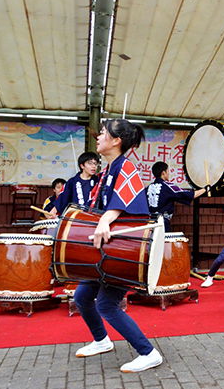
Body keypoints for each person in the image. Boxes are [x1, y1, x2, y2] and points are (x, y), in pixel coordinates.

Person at [73, 119, 163, 373]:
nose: (98, 137)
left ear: (116, 141)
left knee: (106, 304)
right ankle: (102, 340)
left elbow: (124, 202)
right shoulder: (107, 171)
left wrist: (105, 219)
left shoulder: (127, 168)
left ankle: (149, 353)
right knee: (81, 297)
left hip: (125, 250)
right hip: (105, 250)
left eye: (103, 133)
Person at [146, 161, 209, 232]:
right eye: (168, 171)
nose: (168, 173)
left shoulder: (148, 188)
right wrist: (205, 189)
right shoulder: (168, 187)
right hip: (162, 223)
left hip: (149, 224)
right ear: (163, 173)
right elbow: (190, 195)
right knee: (163, 242)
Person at [48, 152, 99, 218]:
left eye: (95, 163)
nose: (93, 166)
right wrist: (54, 210)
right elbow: (63, 198)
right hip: (76, 218)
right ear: (82, 166)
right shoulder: (72, 182)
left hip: (94, 218)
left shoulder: (98, 181)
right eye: (90, 163)